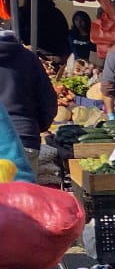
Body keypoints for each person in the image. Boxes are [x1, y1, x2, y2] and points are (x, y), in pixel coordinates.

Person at [0, 28, 60, 180]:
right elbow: (48, 100)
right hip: (25, 136)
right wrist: (36, 125)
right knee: (24, 199)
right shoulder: (29, 58)